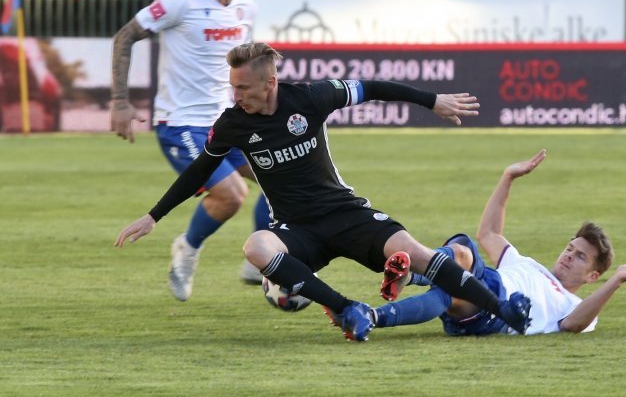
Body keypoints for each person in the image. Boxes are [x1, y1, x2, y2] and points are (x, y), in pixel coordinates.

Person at [114, 42, 533, 342]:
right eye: (232, 87)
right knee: (257, 247)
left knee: (419, 251)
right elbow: (199, 170)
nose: (234, 96)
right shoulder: (232, 123)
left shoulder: (313, 97)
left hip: (345, 212)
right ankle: (348, 307)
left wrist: (432, 100)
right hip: (297, 229)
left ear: (270, 83)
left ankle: (505, 310)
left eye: (242, 88)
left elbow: (374, 87)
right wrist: (154, 215)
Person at [110, 0, 272, 301]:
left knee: (281, 179)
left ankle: (260, 262)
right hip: (181, 123)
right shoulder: (179, 1)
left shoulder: (247, 5)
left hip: (230, 121)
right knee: (231, 195)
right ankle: (188, 247)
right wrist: (119, 100)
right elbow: (125, 37)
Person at [366, 150, 626, 336]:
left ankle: (379, 312)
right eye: (570, 248)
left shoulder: (575, 305)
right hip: (485, 284)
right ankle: (410, 276)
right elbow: (489, 234)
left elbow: (573, 325)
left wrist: (617, 280)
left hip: (499, 312)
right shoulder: (528, 265)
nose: (569, 256)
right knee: (461, 249)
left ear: (593, 276)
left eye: (581, 257)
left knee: (451, 289)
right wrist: (507, 178)